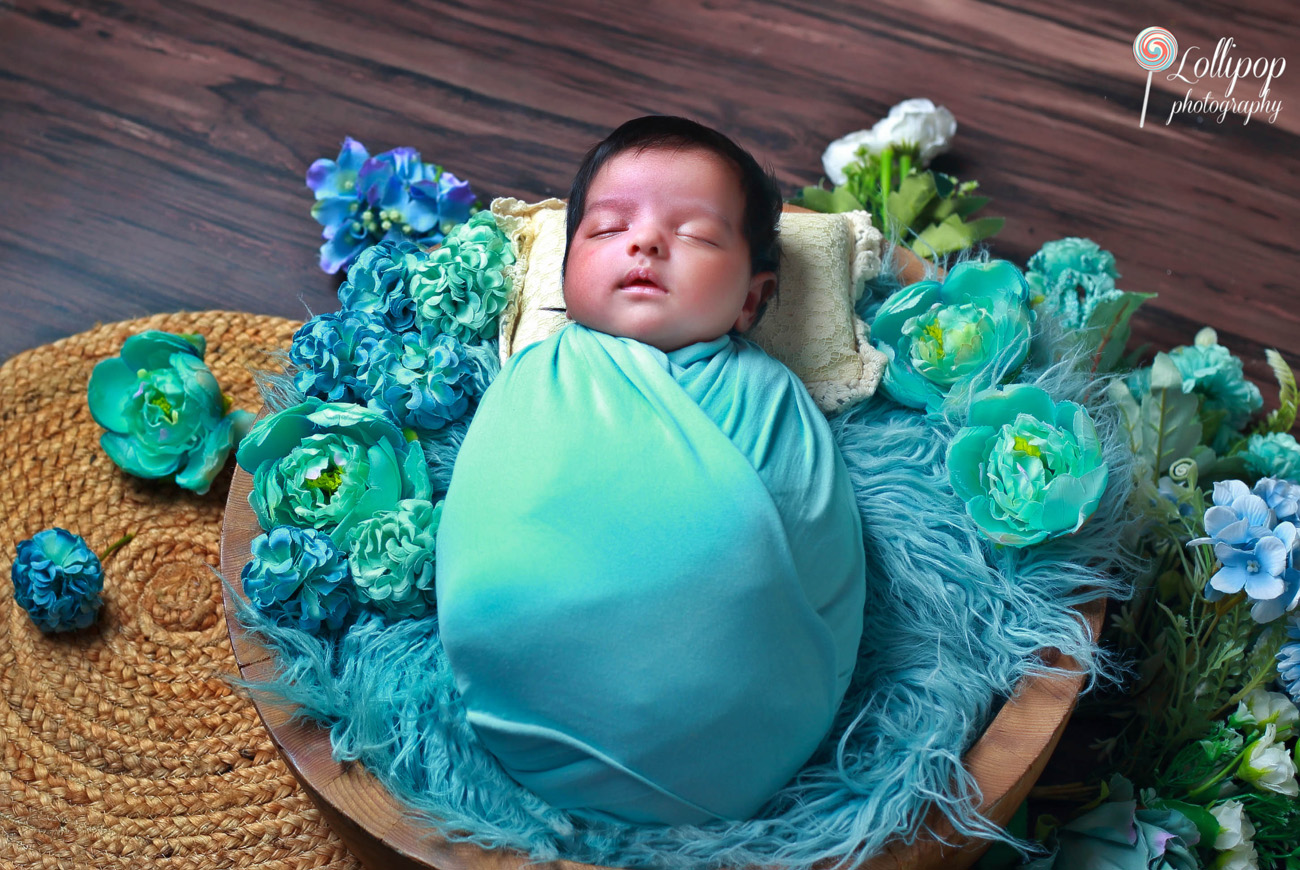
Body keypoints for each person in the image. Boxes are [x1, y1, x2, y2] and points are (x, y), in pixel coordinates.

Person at [435, 116, 867, 827]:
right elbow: (492, 508)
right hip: (522, 685)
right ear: (567, 266)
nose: (644, 243)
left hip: (734, 727)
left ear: (752, 301)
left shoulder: (770, 396)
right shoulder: (536, 377)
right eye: (605, 230)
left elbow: (816, 540)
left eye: (695, 234)